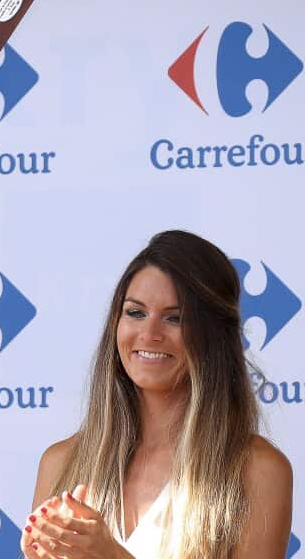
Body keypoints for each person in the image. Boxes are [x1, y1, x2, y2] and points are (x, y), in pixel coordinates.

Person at [21, 230, 293, 559]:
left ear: (214, 335)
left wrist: (113, 556)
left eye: (174, 318)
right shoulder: (61, 461)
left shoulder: (258, 470)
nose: (149, 333)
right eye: (135, 313)